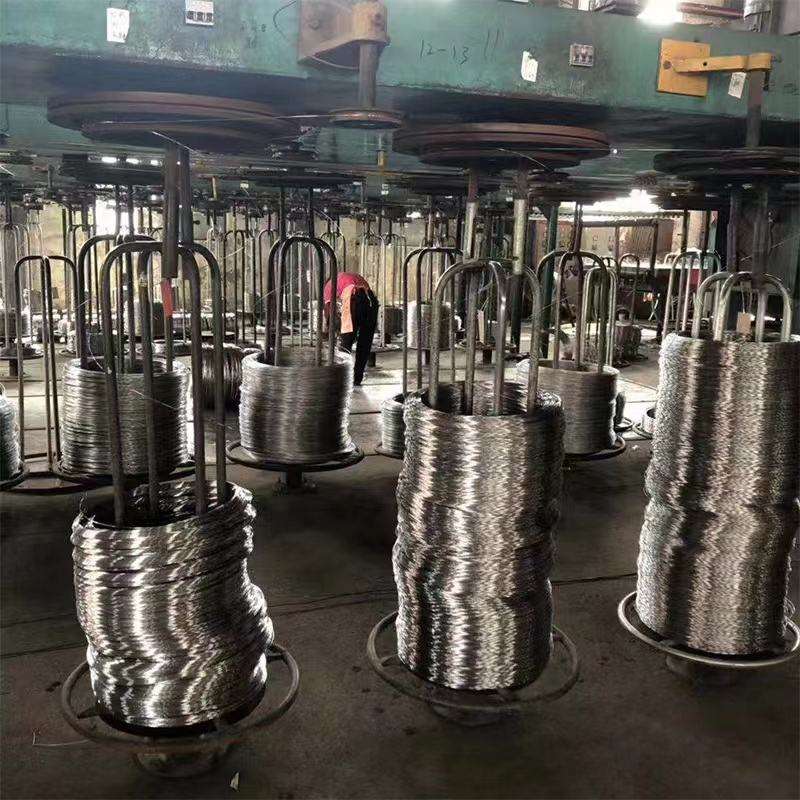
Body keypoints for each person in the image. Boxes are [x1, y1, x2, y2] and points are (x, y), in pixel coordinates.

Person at [323, 272, 379, 386]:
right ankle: (357, 378)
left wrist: (331, 331)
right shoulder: (351, 276)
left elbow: (329, 312)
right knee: (365, 343)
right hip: (371, 302)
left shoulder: (328, 286)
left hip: (354, 299)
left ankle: (341, 379)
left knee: (346, 343)